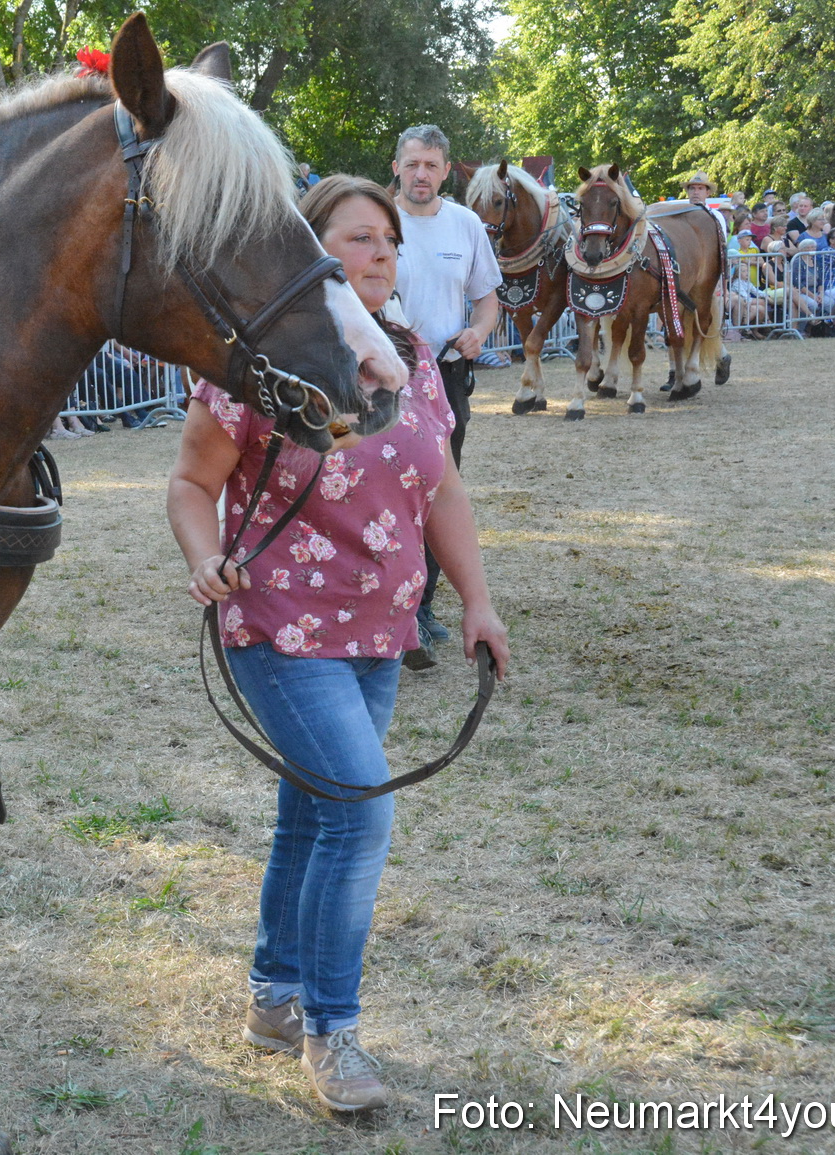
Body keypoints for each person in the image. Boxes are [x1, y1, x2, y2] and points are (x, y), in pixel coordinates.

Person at [166, 172, 510, 1116]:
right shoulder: (256, 364)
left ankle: (275, 999)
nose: (381, 253)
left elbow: (441, 490)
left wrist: (476, 602)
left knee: (312, 815)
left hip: (381, 632)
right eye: (359, 239)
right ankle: (333, 1027)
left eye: (388, 241)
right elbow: (193, 484)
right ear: (313, 254)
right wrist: (204, 557)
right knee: (359, 816)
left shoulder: (412, 358)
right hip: (279, 626)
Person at [388, 124, 500, 668]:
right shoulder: (374, 221)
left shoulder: (465, 224)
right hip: (381, 377)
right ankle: (385, 606)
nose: (421, 175)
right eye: (412, 164)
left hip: (447, 379)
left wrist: (478, 332)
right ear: (396, 168)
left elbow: (487, 301)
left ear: (444, 170)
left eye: (431, 165)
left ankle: (421, 607)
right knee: (381, 489)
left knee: (435, 490)